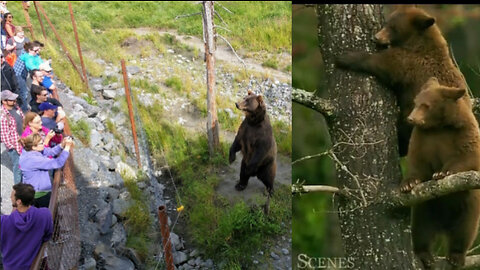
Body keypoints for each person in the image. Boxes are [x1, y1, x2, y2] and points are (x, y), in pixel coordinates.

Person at [0, 183, 53, 269]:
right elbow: (48, 235)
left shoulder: (3, 221)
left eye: (12, 196)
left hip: (12, 266)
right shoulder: (45, 214)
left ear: (19, 201)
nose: (10, 198)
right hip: (36, 262)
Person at [19, 134, 73, 207]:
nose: (43, 145)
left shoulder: (28, 151)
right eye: (41, 143)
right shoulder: (34, 159)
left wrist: (61, 145)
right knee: (46, 213)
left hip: (33, 191)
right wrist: (67, 148)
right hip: (40, 193)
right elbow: (58, 163)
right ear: (34, 147)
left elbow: (49, 152)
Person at [0, 90, 24, 184]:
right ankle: (18, 187)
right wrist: (13, 148)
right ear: (4, 101)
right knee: (17, 166)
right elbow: (5, 135)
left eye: (14, 99)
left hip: (23, 140)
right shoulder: (2, 116)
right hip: (14, 145)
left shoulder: (16, 108)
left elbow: (23, 118)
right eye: (11, 100)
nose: (14, 101)